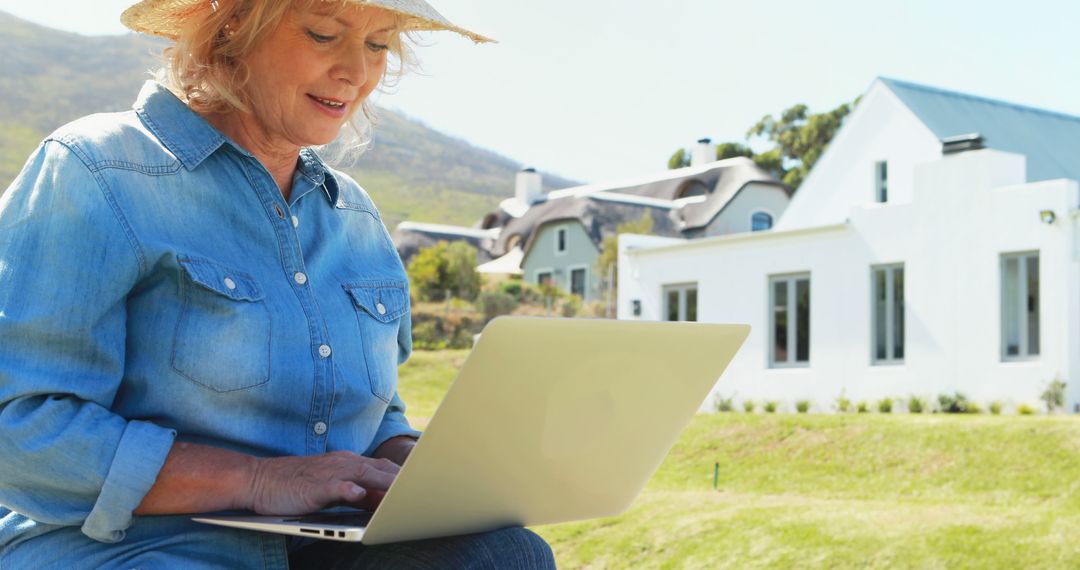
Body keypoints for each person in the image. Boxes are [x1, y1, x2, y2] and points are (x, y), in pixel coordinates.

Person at [0, 0, 556, 567]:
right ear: (234, 24)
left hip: (326, 544)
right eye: (322, 34)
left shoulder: (356, 218)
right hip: (138, 547)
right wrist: (260, 481)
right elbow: (18, 426)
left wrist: (411, 464)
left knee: (509, 553)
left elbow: (376, 412)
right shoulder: (96, 169)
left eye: (377, 44)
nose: (357, 73)